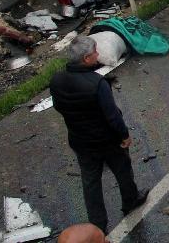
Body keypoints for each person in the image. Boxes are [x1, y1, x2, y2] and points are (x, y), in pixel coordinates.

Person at [50, 36, 148, 233]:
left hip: (80, 141)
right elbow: (112, 116)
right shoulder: (97, 83)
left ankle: (97, 225)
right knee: (122, 169)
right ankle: (130, 200)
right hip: (107, 141)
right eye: (95, 51)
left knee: (90, 182)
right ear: (87, 58)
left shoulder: (57, 80)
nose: (98, 54)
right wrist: (124, 135)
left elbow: (59, 106)